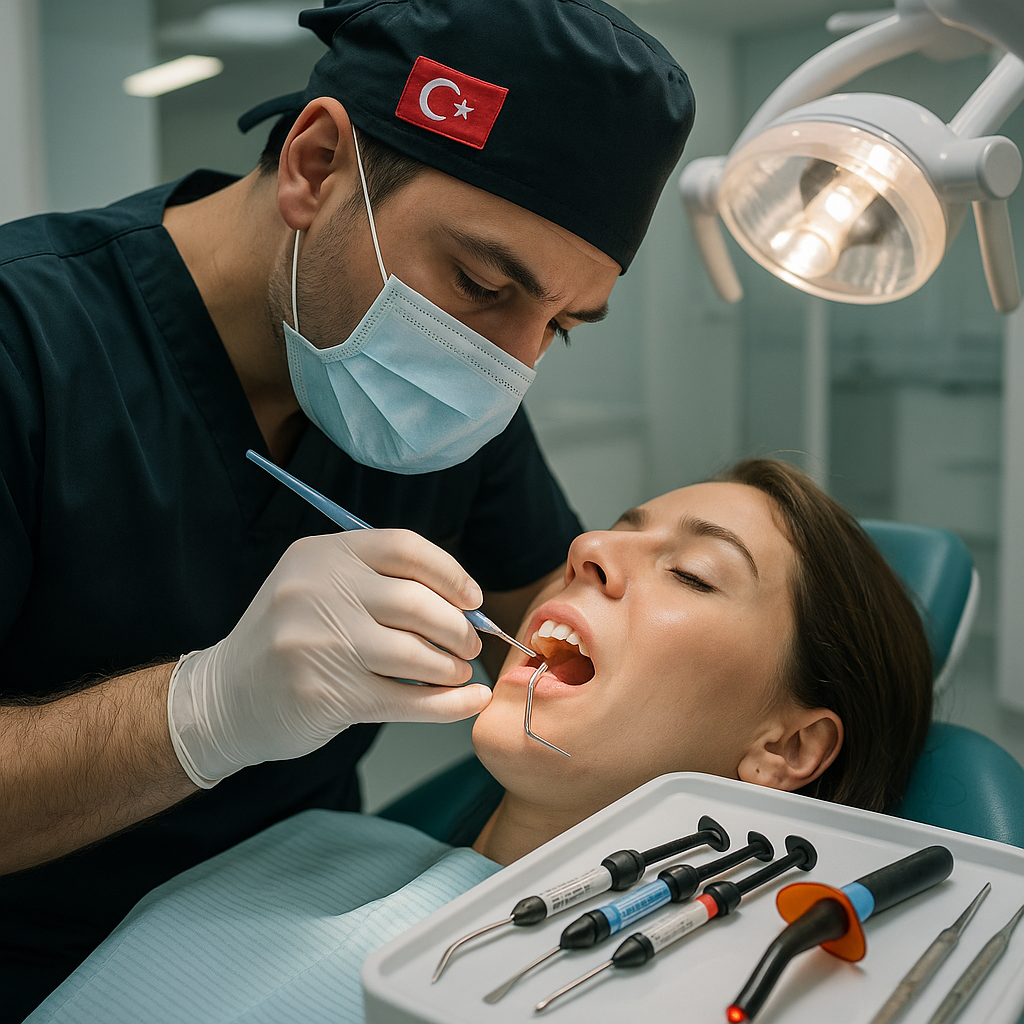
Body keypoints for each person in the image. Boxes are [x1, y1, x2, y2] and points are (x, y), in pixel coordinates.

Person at [0, 1, 696, 1016]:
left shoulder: (456, 400)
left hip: (311, 914)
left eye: (564, 326)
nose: (509, 363)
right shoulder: (28, 343)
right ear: (316, 166)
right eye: (480, 281)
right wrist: (204, 711)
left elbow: (534, 625)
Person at [25, 459, 934, 1024]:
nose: (584, 547)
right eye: (620, 529)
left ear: (786, 751)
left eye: (693, 574)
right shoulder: (312, 846)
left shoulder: (686, 997)